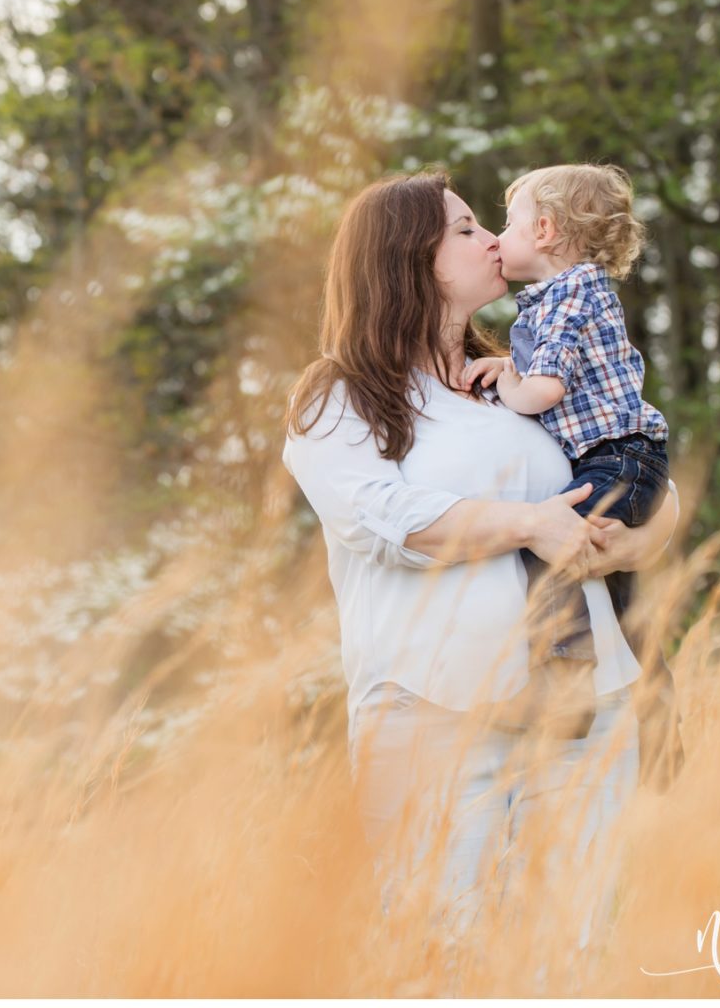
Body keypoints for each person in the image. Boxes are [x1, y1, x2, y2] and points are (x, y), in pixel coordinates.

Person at [281, 171, 679, 948]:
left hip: (580, 708)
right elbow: (380, 517)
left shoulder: (517, 383)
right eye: (465, 229)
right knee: (440, 949)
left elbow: (643, 466)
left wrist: (629, 546)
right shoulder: (342, 395)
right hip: (432, 712)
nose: (494, 240)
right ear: (408, 259)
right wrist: (528, 524)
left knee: (568, 952)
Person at [472, 162, 683, 784]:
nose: (496, 239)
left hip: (616, 457)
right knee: (628, 606)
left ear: (543, 230)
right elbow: (555, 367)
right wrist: (514, 367)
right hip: (627, 457)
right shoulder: (574, 294)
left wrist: (508, 384)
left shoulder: (568, 295)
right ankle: (662, 733)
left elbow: (544, 390)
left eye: (507, 226)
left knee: (550, 546)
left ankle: (563, 688)